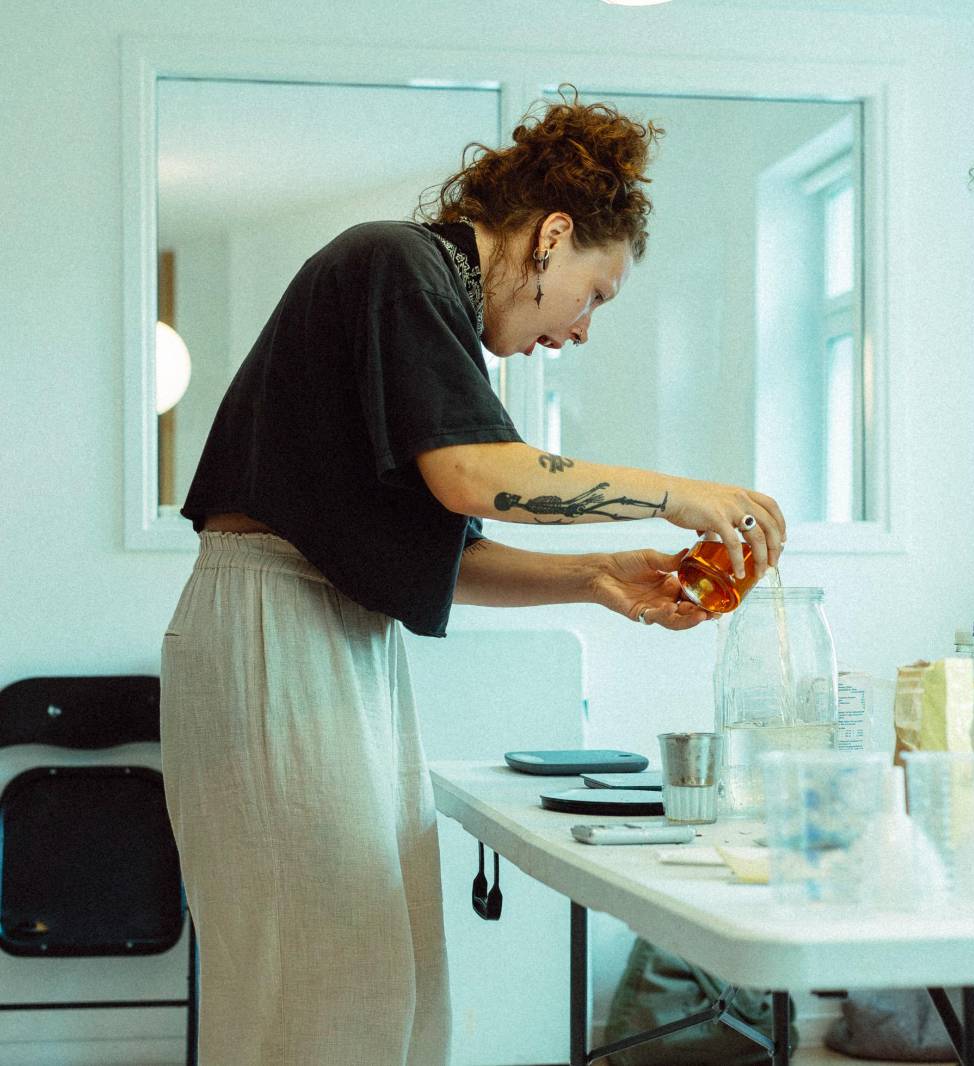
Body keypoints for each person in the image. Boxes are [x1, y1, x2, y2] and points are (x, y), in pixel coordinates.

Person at [159, 95, 784, 1065]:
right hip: (272, 629)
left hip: (321, 628)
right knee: (328, 993)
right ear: (554, 235)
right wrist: (671, 495)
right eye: (597, 294)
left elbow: (438, 543)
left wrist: (600, 578)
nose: (580, 331)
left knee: (394, 980)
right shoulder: (397, 264)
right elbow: (479, 475)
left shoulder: (421, 300)